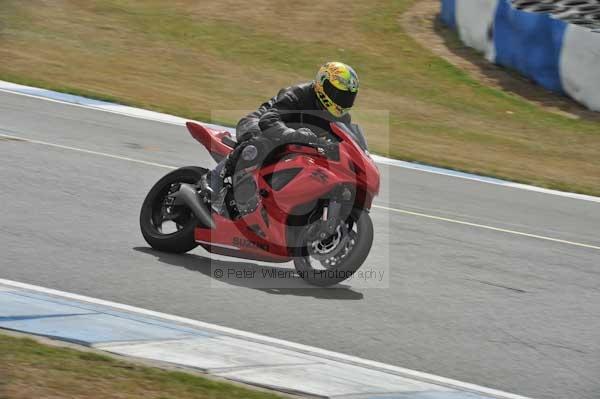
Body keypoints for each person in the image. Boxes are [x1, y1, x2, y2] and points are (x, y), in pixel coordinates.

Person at [202, 61, 360, 211]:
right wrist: (293, 134)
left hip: (292, 142)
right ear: (322, 84)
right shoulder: (299, 94)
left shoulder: (341, 119)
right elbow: (268, 119)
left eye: (347, 97)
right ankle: (214, 178)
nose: (341, 101)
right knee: (262, 142)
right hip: (258, 124)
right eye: (337, 94)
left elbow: (346, 142)